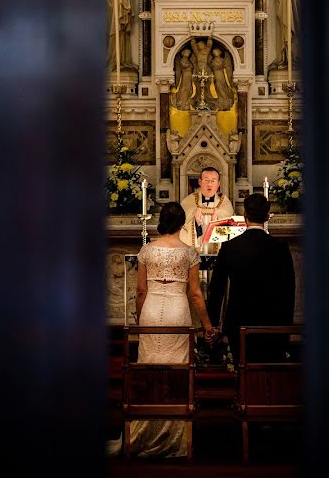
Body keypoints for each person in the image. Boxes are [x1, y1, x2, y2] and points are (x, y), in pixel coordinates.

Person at [114, 202, 216, 458]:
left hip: (151, 309)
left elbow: (140, 291)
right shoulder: (189, 253)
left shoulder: (147, 250)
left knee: (149, 366)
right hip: (177, 310)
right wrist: (207, 325)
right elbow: (195, 293)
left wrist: (140, 320)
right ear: (182, 223)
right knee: (177, 370)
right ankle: (174, 437)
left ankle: (144, 429)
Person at [206, 193, 295, 366]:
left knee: (243, 370)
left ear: (245, 216)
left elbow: (217, 288)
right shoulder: (280, 248)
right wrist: (286, 328)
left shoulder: (230, 247)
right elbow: (288, 289)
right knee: (269, 373)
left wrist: (212, 325)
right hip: (272, 324)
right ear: (267, 217)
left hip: (238, 322)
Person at [179, 166, 235, 248]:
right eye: (206, 180)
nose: (209, 184)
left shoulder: (225, 204)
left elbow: (229, 231)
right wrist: (196, 224)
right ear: (200, 182)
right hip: (196, 247)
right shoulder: (188, 202)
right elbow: (183, 227)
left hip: (218, 250)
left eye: (213, 181)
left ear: (218, 184)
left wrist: (216, 224)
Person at [208, 47, 235, 111]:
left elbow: (225, 66)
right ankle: (220, 99)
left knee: (222, 87)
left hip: (221, 75)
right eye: (214, 52)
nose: (215, 53)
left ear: (220, 52)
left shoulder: (222, 60)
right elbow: (210, 66)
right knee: (217, 87)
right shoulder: (212, 60)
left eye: (216, 51)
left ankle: (225, 99)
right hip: (215, 76)